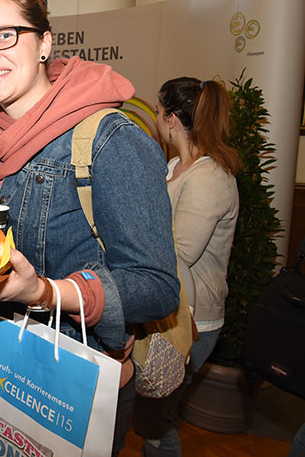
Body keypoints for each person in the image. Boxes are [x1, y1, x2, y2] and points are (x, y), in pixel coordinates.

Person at [0, 0, 180, 456]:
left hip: (70, 377)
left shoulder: (110, 139)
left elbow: (156, 286)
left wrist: (43, 291)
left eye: (6, 35)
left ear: (45, 44)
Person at [133, 77, 241, 457]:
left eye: (159, 113)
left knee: (157, 425)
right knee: (154, 421)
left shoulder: (210, 178)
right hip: (168, 313)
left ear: (173, 119)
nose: (156, 121)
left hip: (192, 322)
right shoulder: (176, 165)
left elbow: (180, 253)